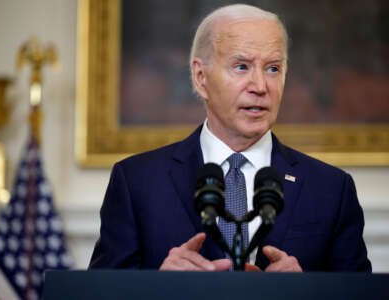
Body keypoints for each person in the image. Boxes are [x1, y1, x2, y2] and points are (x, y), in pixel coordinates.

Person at [89, 4, 371, 272]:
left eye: (273, 68)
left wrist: (306, 292)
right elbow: (100, 293)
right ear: (201, 77)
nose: (260, 86)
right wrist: (158, 287)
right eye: (242, 67)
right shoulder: (136, 182)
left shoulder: (332, 190)